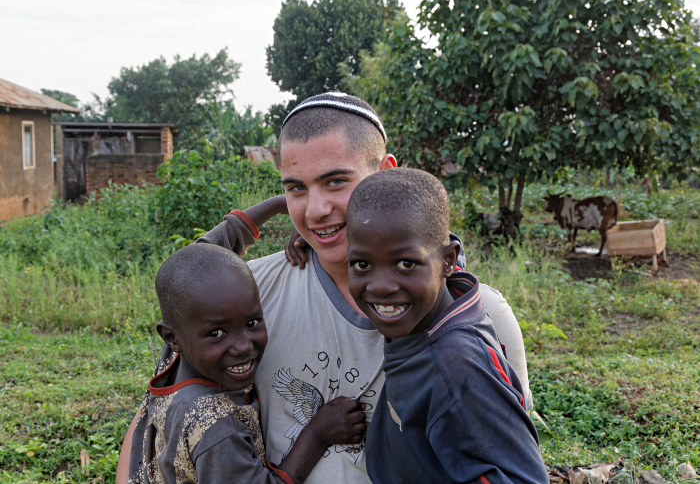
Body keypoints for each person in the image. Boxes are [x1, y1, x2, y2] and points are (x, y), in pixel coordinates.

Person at [117, 93, 532, 484]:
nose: (315, 211)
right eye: (296, 188)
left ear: (387, 173)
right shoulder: (245, 295)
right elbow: (155, 419)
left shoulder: (478, 318)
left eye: (335, 182)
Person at [345, 168, 548, 484]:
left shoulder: (458, 366)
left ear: (449, 260)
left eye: (405, 264)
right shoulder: (426, 320)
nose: (381, 286)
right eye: (362, 264)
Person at [130, 243, 366, 484]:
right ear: (172, 338)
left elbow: (208, 247)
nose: (243, 346)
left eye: (252, 323)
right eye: (217, 333)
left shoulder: (175, 365)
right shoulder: (218, 429)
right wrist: (317, 435)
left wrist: (296, 219)